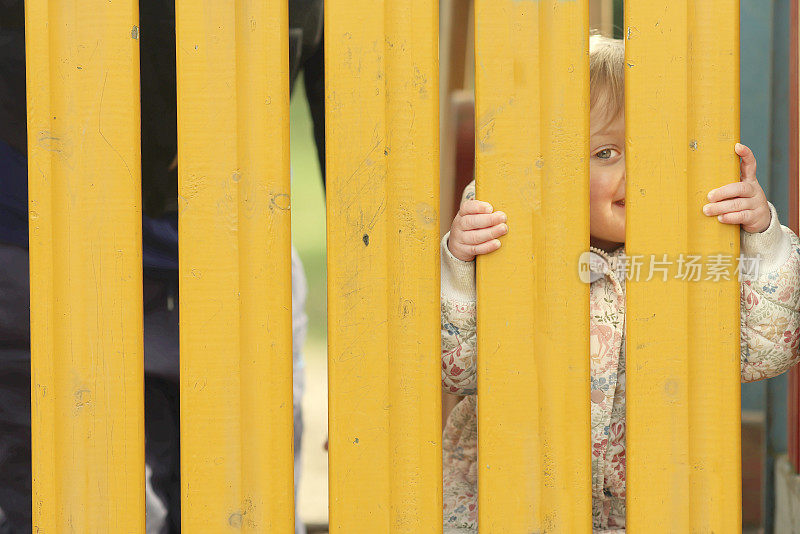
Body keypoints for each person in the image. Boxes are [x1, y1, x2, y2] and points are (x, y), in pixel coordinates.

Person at [439, 35, 800, 533]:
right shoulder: (518, 254)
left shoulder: (688, 263)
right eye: (606, 151)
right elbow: (457, 370)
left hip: (653, 509)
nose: (638, 170)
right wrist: (461, 264)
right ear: (547, 166)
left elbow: (769, 351)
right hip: (516, 503)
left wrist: (762, 237)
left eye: (652, 147)